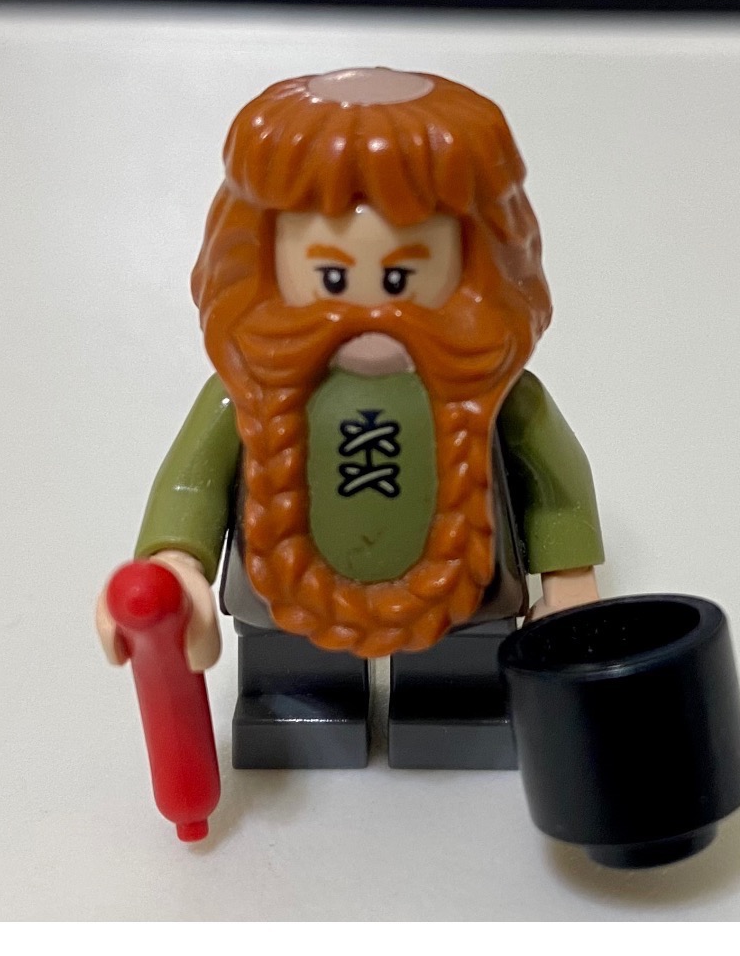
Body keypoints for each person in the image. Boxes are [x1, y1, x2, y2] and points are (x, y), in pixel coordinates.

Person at [97, 67, 604, 771]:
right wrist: (175, 566)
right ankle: (297, 714)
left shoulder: (494, 394)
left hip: (470, 600)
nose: (369, 312)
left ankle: (454, 717)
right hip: (280, 601)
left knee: (458, 692)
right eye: (332, 278)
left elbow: (554, 481)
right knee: (292, 687)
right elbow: (194, 482)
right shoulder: (246, 394)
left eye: (401, 279)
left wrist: (569, 582)